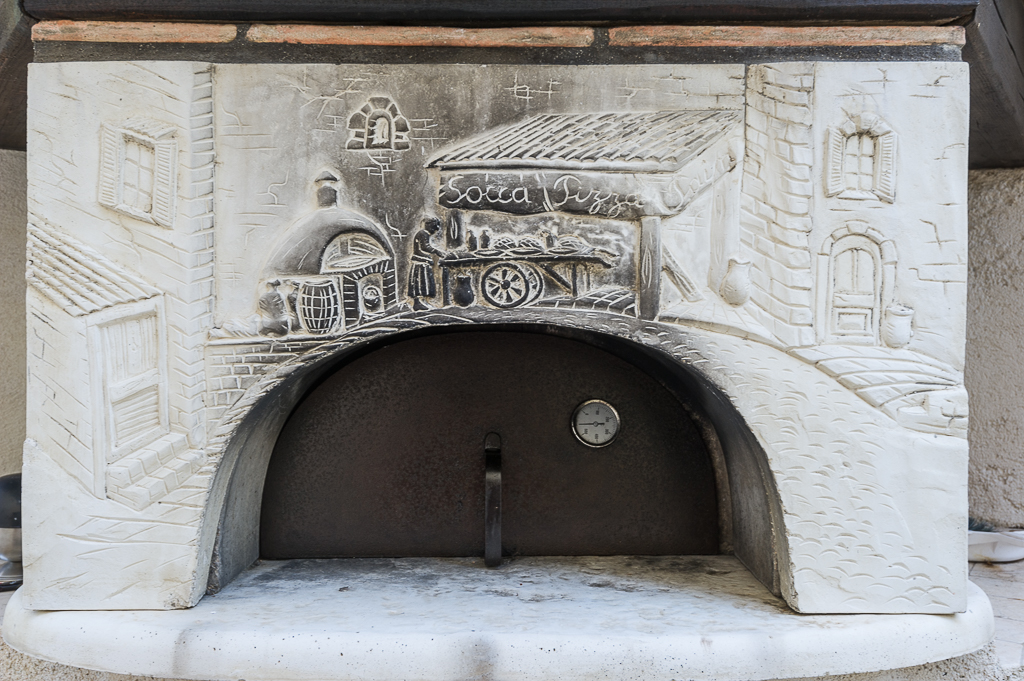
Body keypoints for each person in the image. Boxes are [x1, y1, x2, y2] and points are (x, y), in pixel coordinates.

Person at [408, 217, 445, 310]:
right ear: (429, 225)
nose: (436, 229)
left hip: (423, 261)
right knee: (420, 282)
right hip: (420, 262)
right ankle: (418, 302)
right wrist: (436, 251)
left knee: (424, 281)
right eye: (435, 226)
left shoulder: (424, 233)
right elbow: (425, 247)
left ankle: (423, 301)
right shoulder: (423, 233)